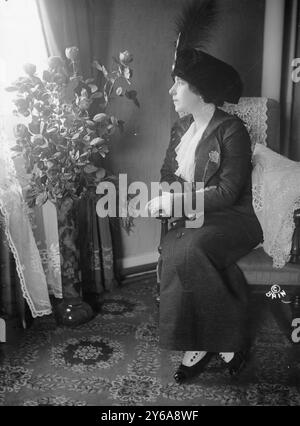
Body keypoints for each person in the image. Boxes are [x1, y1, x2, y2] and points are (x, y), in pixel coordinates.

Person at [146, 47, 263, 383]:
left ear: (199, 89)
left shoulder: (232, 130)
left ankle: (223, 343)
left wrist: (177, 204)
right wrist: (169, 194)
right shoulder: (180, 127)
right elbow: (167, 171)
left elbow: (227, 192)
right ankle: (206, 342)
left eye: (179, 84)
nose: (171, 91)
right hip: (195, 216)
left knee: (191, 249)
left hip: (237, 217)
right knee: (175, 248)